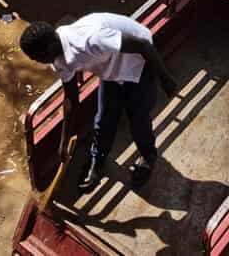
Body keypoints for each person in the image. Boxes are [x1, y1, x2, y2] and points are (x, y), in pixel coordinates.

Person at [19, 14, 179, 192]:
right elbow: (71, 98)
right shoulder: (57, 58)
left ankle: (148, 155)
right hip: (110, 69)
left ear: (48, 47)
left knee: (138, 118)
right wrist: (64, 141)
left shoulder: (92, 39)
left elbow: (143, 45)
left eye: (37, 58)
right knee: (103, 119)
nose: (39, 63)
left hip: (137, 62)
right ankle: (98, 159)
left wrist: (165, 79)